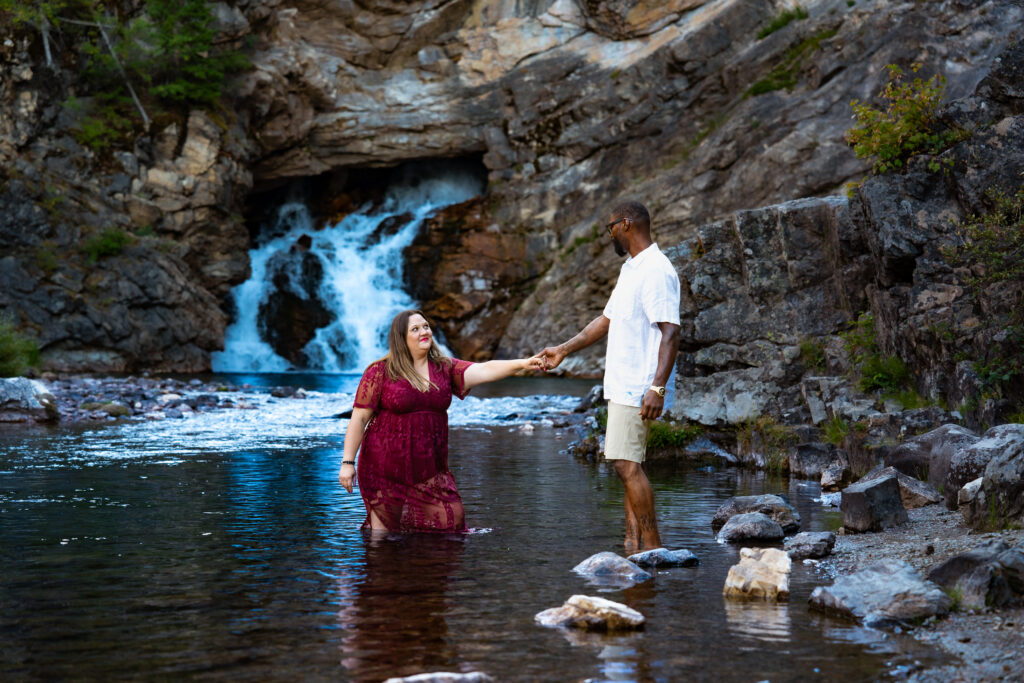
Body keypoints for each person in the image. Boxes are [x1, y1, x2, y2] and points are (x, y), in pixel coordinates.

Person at [539, 201, 680, 553]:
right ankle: (632, 543)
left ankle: (652, 547)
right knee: (628, 464)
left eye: (611, 227)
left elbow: (672, 332)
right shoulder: (633, 268)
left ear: (627, 224)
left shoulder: (657, 270)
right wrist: (564, 349)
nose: (610, 234)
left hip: (639, 386)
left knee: (625, 465)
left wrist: (657, 388)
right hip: (625, 385)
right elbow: (606, 320)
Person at [338, 309, 543, 533]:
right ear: (401, 338)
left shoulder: (444, 368)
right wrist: (347, 463)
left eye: (425, 326)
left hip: (430, 469)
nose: (423, 331)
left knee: (452, 522)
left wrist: (523, 364)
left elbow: (484, 369)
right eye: (415, 329)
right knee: (385, 535)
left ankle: (430, 567)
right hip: (384, 467)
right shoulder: (380, 371)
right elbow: (359, 419)